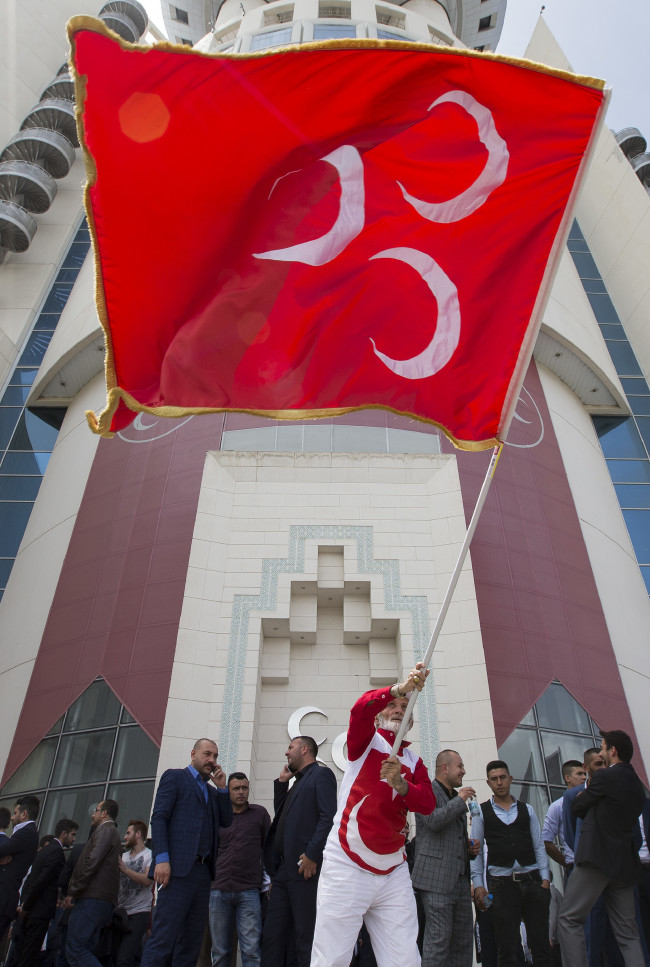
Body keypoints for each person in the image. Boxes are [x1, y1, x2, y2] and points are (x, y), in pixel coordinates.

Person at [310, 663, 435, 967]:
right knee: (331, 959)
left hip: (393, 870)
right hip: (347, 864)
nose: (397, 709)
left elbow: (429, 804)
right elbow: (359, 711)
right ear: (381, 714)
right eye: (392, 705)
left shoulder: (415, 762)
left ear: (411, 721)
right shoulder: (364, 743)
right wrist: (398, 688)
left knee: (405, 959)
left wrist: (402, 785)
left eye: (405, 706)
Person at [140, 737, 233, 967]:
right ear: (193, 754)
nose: (211, 760)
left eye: (215, 756)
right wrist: (161, 857)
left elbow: (227, 821)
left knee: (190, 944)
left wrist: (222, 789)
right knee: (163, 939)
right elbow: (159, 817)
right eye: (207, 754)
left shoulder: (213, 793)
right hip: (176, 871)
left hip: (203, 875)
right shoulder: (175, 777)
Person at [558, 728, 646, 966]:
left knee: (569, 919)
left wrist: (595, 801)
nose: (602, 751)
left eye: (604, 747)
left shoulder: (605, 777)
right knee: (628, 933)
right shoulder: (638, 786)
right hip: (624, 864)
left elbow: (577, 806)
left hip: (595, 859)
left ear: (613, 751)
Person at [261, 736, 337, 967]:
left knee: (305, 936)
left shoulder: (321, 775)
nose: (286, 752)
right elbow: (285, 818)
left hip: (305, 870)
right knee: (272, 937)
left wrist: (313, 854)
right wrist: (282, 783)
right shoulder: (296, 783)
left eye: (290, 747)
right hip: (283, 873)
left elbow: (328, 817)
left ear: (305, 749)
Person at [470, 760, 552, 967]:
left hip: (532, 881)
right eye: (494, 779)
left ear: (510, 779)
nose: (499, 783)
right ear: (488, 782)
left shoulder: (527, 809)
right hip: (501, 885)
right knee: (506, 948)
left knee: (541, 944)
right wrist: (479, 884)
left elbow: (539, 846)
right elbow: (476, 853)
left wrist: (545, 880)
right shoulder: (481, 812)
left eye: (503, 777)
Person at [411, 749, 475, 967]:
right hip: (435, 880)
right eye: (460, 766)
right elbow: (432, 821)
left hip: (460, 881)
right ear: (444, 768)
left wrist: (467, 848)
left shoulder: (452, 796)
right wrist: (460, 801)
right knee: (438, 942)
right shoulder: (426, 790)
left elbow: (448, 835)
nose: (463, 771)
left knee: (463, 942)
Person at [209, 771, 270, 967]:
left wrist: (269, 882)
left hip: (249, 890)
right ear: (228, 791)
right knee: (219, 952)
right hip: (218, 889)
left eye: (244, 788)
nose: (241, 792)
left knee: (251, 950)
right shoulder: (218, 816)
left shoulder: (259, 814)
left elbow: (268, 848)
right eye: (236, 788)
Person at [66, 799, 122, 967]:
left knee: (75, 949)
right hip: (99, 900)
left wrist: (74, 890)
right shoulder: (109, 832)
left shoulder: (105, 830)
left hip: (92, 899)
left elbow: (92, 862)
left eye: (96, 810)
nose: (93, 814)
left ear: (104, 813)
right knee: (84, 949)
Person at [16, 818, 79, 967]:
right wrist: (27, 906)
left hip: (32, 910)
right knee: (29, 956)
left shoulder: (45, 850)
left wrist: (25, 903)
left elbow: (31, 880)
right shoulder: (56, 852)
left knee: (23, 953)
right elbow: (41, 881)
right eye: (72, 834)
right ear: (64, 834)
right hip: (39, 911)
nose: (74, 839)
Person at [0, 795, 41, 945]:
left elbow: (3, 849)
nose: (12, 817)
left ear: (24, 814)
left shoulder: (26, 833)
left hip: (4, 899)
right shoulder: (25, 833)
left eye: (15, 813)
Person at [116, 820, 152, 967]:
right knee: (126, 957)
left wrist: (126, 870)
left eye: (128, 833)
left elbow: (148, 880)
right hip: (121, 913)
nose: (125, 837)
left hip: (139, 912)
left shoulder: (150, 855)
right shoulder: (123, 857)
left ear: (138, 835)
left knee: (124, 959)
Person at [542, 759, 586, 874]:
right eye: (579, 774)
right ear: (567, 778)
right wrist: (567, 863)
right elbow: (546, 841)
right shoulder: (557, 806)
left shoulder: (593, 800)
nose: (584, 777)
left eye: (585, 774)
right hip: (574, 866)